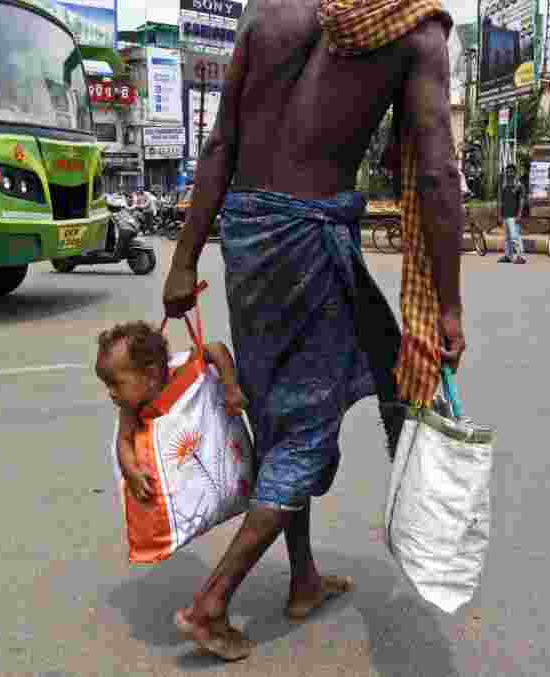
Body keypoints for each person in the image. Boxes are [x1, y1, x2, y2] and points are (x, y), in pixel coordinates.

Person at [162, 0, 465, 661]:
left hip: (247, 232)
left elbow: (221, 142)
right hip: (311, 236)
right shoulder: (411, 24)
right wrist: (448, 305)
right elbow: (439, 171)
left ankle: (301, 579)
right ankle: (211, 602)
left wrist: (184, 258)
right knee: (305, 430)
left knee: (277, 409)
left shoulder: (266, 9)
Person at [95, 322, 247, 503]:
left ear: (150, 375)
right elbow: (124, 441)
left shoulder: (182, 371)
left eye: (116, 384)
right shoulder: (130, 408)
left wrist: (231, 387)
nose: (110, 393)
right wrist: (132, 473)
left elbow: (216, 349)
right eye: (107, 385)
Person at [498, 164, 527, 264]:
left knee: (515, 237)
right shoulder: (504, 186)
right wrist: (500, 214)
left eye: (511, 171)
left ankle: (521, 257)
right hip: (505, 215)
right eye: (507, 172)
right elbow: (502, 201)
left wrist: (519, 214)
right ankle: (508, 256)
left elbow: (522, 200)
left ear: (515, 173)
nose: (509, 173)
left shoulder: (519, 185)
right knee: (507, 238)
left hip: (514, 216)